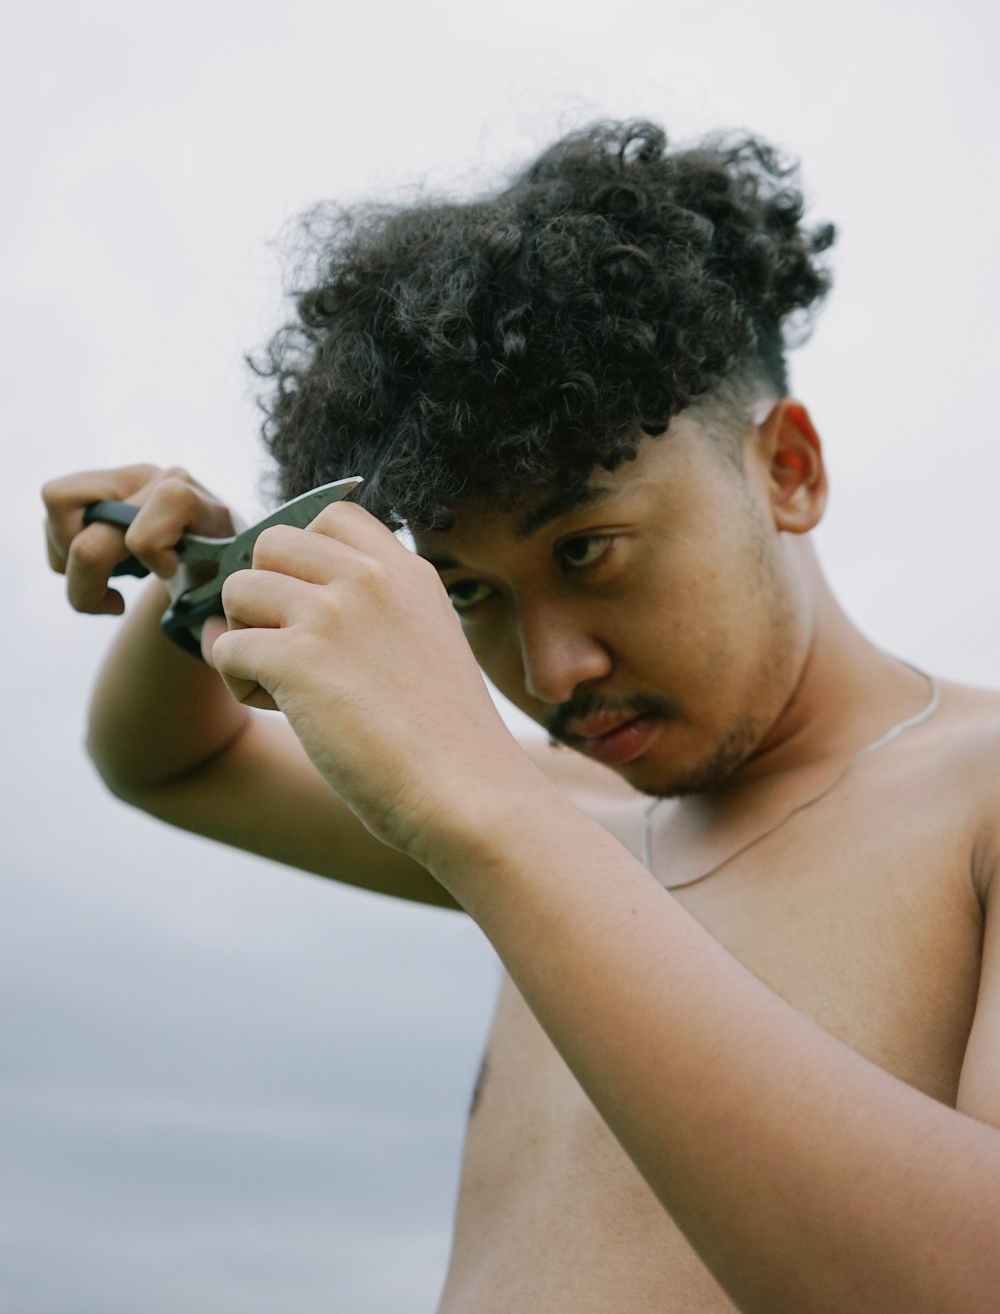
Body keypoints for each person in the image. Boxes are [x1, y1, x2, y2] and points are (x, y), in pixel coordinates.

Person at [43, 120, 1000, 1313]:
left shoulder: (975, 797)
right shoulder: (575, 820)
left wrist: (489, 810)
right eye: (465, 593)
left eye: (590, 550)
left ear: (787, 471)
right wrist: (201, 585)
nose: (550, 671)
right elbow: (172, 764)